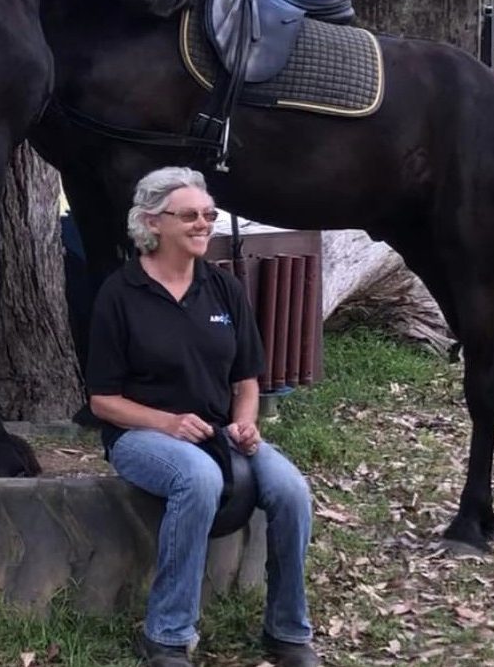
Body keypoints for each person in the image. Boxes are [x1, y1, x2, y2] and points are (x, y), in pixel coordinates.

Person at [85, 167, 319, 667]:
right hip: (139, 435)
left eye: (209, 214)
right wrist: (166, 423)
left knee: (293, 491)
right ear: (152, 222)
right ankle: (167, 635)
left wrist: (246, 422)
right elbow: (102, 401)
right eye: (189, 215)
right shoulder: (119, 293)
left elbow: (247, 382)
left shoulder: (224, 288)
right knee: (198, 477)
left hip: (220, 432)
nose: (203, 224)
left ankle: (288, 631)